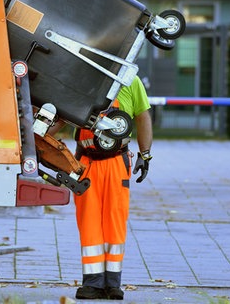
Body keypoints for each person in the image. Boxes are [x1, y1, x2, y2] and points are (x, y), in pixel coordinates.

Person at [51, 75, 153, 300]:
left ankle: (112, 284)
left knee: (114, 221)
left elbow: (142, 116)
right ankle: (93, 284)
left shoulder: (130, 81)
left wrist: (145, 155)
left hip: (116, 162)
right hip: (86, 164)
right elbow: (62, 115)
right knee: (89, 223)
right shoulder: (83, 75)